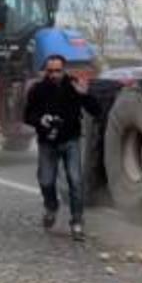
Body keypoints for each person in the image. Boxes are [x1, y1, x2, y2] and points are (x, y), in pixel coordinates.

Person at [24, 54, 100, 241]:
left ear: (64, 70)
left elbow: (96, 111)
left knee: (76, 181)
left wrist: (85, 95)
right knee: (46, 181)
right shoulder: (38, 89)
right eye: (50, 71)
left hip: (71, 139)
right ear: (45, 71)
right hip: (47, 142)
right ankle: (51, 207)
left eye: (57, 71)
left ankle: (77, 220)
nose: (54, 74)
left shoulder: (74, 87)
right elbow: (27, 115)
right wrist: (41, 120)